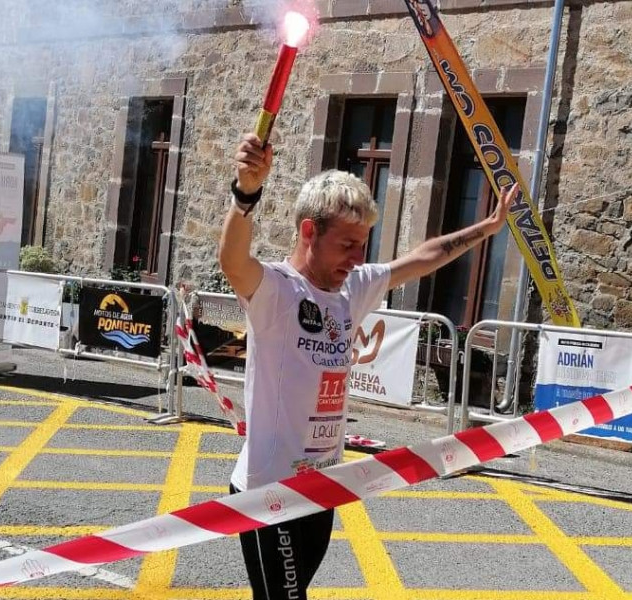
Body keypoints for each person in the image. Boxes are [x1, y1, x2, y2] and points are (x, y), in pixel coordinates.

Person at [219, 132, 519, 600]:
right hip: (268, 489)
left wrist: (488, 228)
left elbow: (422, 258)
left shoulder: (352, 288)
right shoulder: (276, 290)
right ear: (309, 232)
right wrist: (245, 197)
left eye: (363, 244)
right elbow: (233, 261)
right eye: (348, 245)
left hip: (324, 484)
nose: (358, 258)